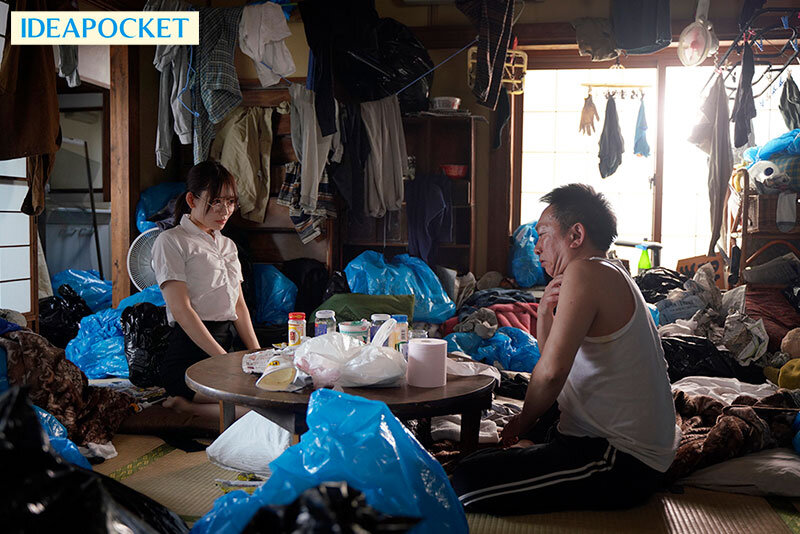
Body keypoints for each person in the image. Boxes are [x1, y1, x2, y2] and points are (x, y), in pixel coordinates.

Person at [451, 184, 678, 515]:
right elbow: (556, 364)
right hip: (608, 439)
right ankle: (536, 446)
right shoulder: (607, 270)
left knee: (465, 482)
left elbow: (552, 374)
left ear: (576, 235)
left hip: (623, 460)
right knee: (518, 433)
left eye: (543, 234)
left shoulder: (586, 272)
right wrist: (544, 313)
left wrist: (523, 422)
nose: (536, 246)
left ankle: (534, 447)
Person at [152, 161, 260, 418]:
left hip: (225, 350)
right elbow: (181, 310)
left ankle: (188, 407)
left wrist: (258, 356)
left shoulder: (228, 245)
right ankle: (186, 406)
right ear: (192, 200)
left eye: (230, 202)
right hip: (188, 357)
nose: (225, 210)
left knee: (272, 396)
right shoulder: (171, 241)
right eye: (216, 202)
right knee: (256, 411)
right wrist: (223, 361)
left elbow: (239, 306)